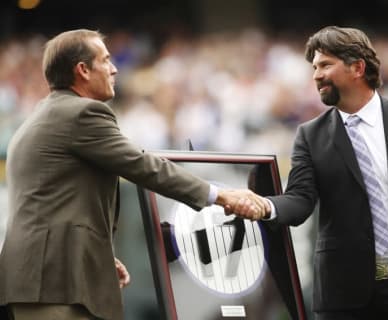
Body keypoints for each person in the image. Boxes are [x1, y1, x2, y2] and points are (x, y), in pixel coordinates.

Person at [0, 29, 265, 320]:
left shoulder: (42, 116)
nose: (114, 69)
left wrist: (94, 257)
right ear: (83, 70)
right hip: (54, 281)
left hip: (43, 276)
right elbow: (143, 166)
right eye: (106, 60)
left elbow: (51, 206)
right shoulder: (81, 113)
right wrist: (221, 194)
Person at [237, 26, 388, 320]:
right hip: (343, 296)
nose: (316, 75)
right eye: (314, 67)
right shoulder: (310, 135)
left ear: (357, 67)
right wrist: (264, 205)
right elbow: (300, 199)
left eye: (325, 65)